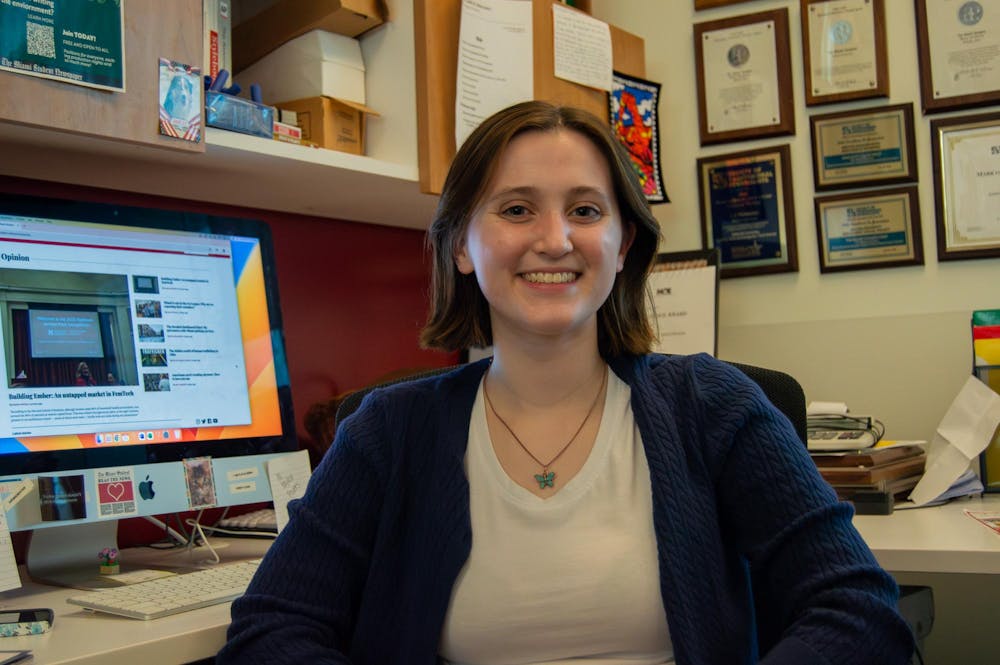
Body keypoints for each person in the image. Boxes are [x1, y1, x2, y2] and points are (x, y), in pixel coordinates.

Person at [218, 101, 915, 664]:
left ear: (623, 243)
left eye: (585, 210)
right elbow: (270, 629)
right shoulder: (388, 431)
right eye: (517, 208)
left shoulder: (711, 406)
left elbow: (857, 606)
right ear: (461, 244)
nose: (555, 238)